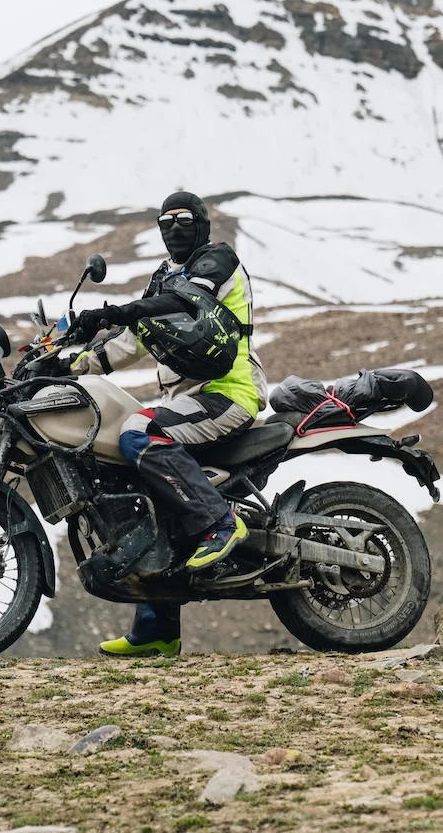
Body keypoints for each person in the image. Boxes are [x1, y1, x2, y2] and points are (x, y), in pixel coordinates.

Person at [69, 191, 265, 656]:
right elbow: (133, 338)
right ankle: (157, 628)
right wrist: (77, 360)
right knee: (136, 480)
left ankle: (221, 523)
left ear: (202, 223)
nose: (175, 227)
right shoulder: (164, 276)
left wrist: (116, 311)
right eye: (166, 220)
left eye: (184, 219)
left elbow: (182, 303)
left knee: (139, 432)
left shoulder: (217, 261)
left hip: (227, 395)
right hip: (184, 399)